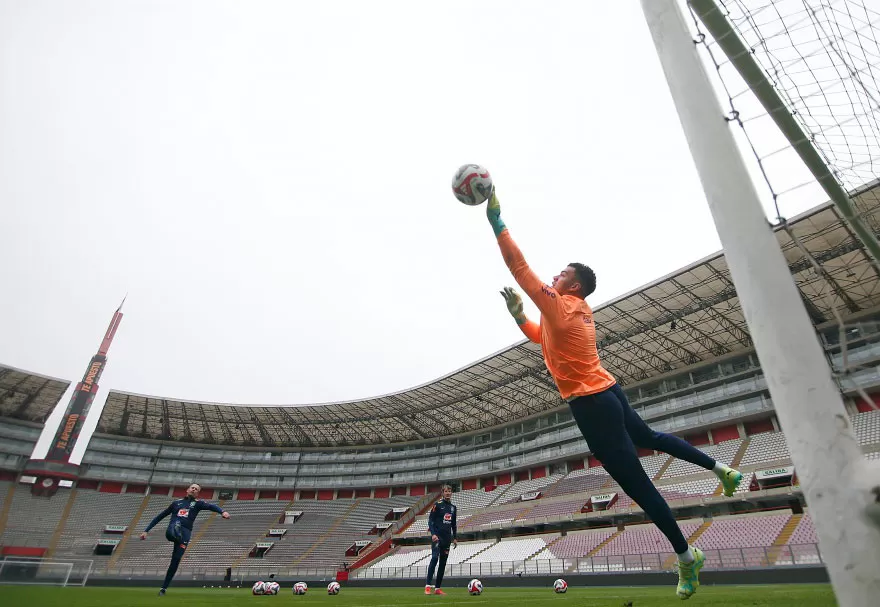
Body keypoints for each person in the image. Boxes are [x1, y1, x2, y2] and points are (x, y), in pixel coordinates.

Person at [484, 190, 742, 600]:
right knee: (650, 438)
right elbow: (542, 338)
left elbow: (521, 268)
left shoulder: (562, 306)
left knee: (638, 486)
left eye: (562, 274)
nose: (553, 276)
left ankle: (687, 557)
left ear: (575, 285)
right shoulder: (574, 314)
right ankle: (720, 469)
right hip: (608, 391)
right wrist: (519, 317)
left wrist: (497, 222)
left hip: (591, 405)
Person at [139, 482, 231, 596]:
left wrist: (222, 511)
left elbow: (212, 506)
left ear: (198, 493)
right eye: (192, 488)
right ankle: (174, 529)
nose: (194, 489)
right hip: (173, 530)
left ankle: (163, 589)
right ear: (187, 490)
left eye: (196, 489)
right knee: (174, 526)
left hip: (185, 534)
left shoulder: (198, 504)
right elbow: (160, 516)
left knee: (176, 560)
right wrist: (146, 530)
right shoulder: (176, 503)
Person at [424, 484, 457, 595]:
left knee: (443, 564)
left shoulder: (453, 508)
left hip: (447, 539)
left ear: (451, 493)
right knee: (434, 558)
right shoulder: (437, 505)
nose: (448, 493)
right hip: (437, 537)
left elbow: (453, 524)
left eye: (449, 491)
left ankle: (437, 588)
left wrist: (455, 538)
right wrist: (433, 534)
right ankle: (428, 586)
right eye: (446, 491)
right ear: (442, 493)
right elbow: (430, 521)